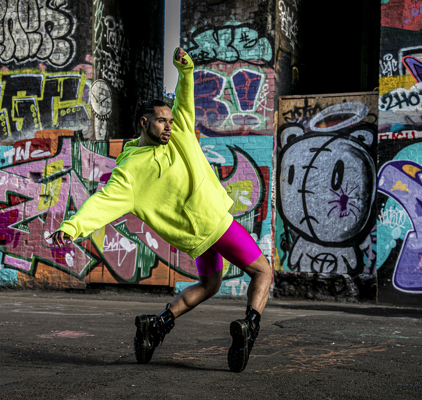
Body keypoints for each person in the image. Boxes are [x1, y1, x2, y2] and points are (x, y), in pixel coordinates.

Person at [49, 47, 272, 373]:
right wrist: (72, 226)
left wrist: (185, 73)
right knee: (263, 271)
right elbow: (103, 202)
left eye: (170, 120)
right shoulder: (131, 172)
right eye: (161, 121)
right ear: (144, 122)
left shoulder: (177, 134)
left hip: (195, 238)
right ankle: (249, 327)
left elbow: (185, 100)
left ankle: (157, 324)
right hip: (216, 224)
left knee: (210, 284)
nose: (169, 126)